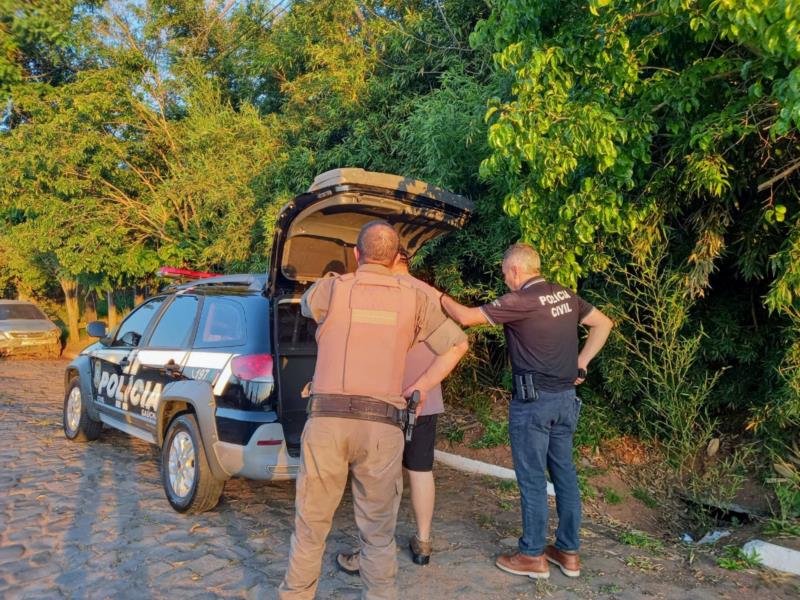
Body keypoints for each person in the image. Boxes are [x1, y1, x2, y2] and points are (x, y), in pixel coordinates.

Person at [278, 220, 469, 600]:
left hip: (327, 424)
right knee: (379, 536)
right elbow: (457, 344)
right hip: (382, 427)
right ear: (397, 256)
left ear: (356, 255)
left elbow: (304, 305)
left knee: (310, 528)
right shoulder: (415, 298)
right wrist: (420, 387)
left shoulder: (332, 288)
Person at [441, 243, 613, 580]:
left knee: (532, 479)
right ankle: (568, 551)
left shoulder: (518, 301)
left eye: (505, 272)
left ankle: (532, 555)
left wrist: (435, 295)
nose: (504, 279)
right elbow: (604, 324)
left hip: (533, 404)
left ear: (516, 270)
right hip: (565, 401)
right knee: (564, 474)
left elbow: (464, 317)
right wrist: (582, 361)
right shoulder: (564, 295)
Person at [336, 247, 454, 575]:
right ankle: (424, 543)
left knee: (377, 475)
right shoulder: (431, 293)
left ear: (391, 260)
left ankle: (369, 552)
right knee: (420, 470)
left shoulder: (380, 292)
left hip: (384, 396)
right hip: (424, 397)